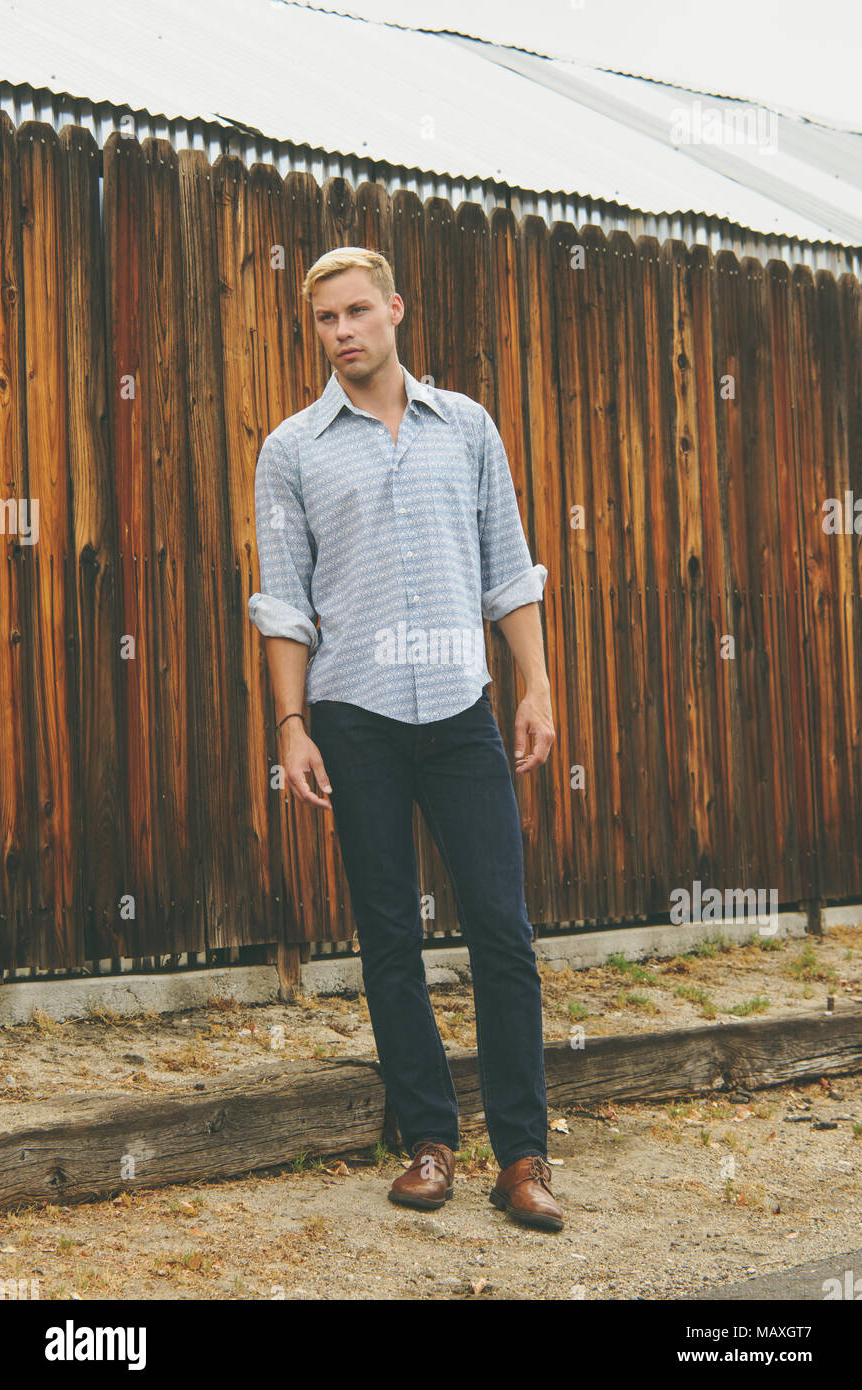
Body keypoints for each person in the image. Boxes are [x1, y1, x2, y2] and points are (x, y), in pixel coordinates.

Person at [248, 246, 563, 1233]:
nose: (342, 332)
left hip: (464, 714)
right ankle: (429, 1140)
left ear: (394, 310)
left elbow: (507, 567)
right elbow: (284, 604)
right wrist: (293, 723)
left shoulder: (464, 426)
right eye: (323, 320)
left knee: (502, 936)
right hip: (356, 719)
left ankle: (523, 1155)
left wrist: (536, 684)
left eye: (355, 312)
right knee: (389, 939)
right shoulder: (291, 450)